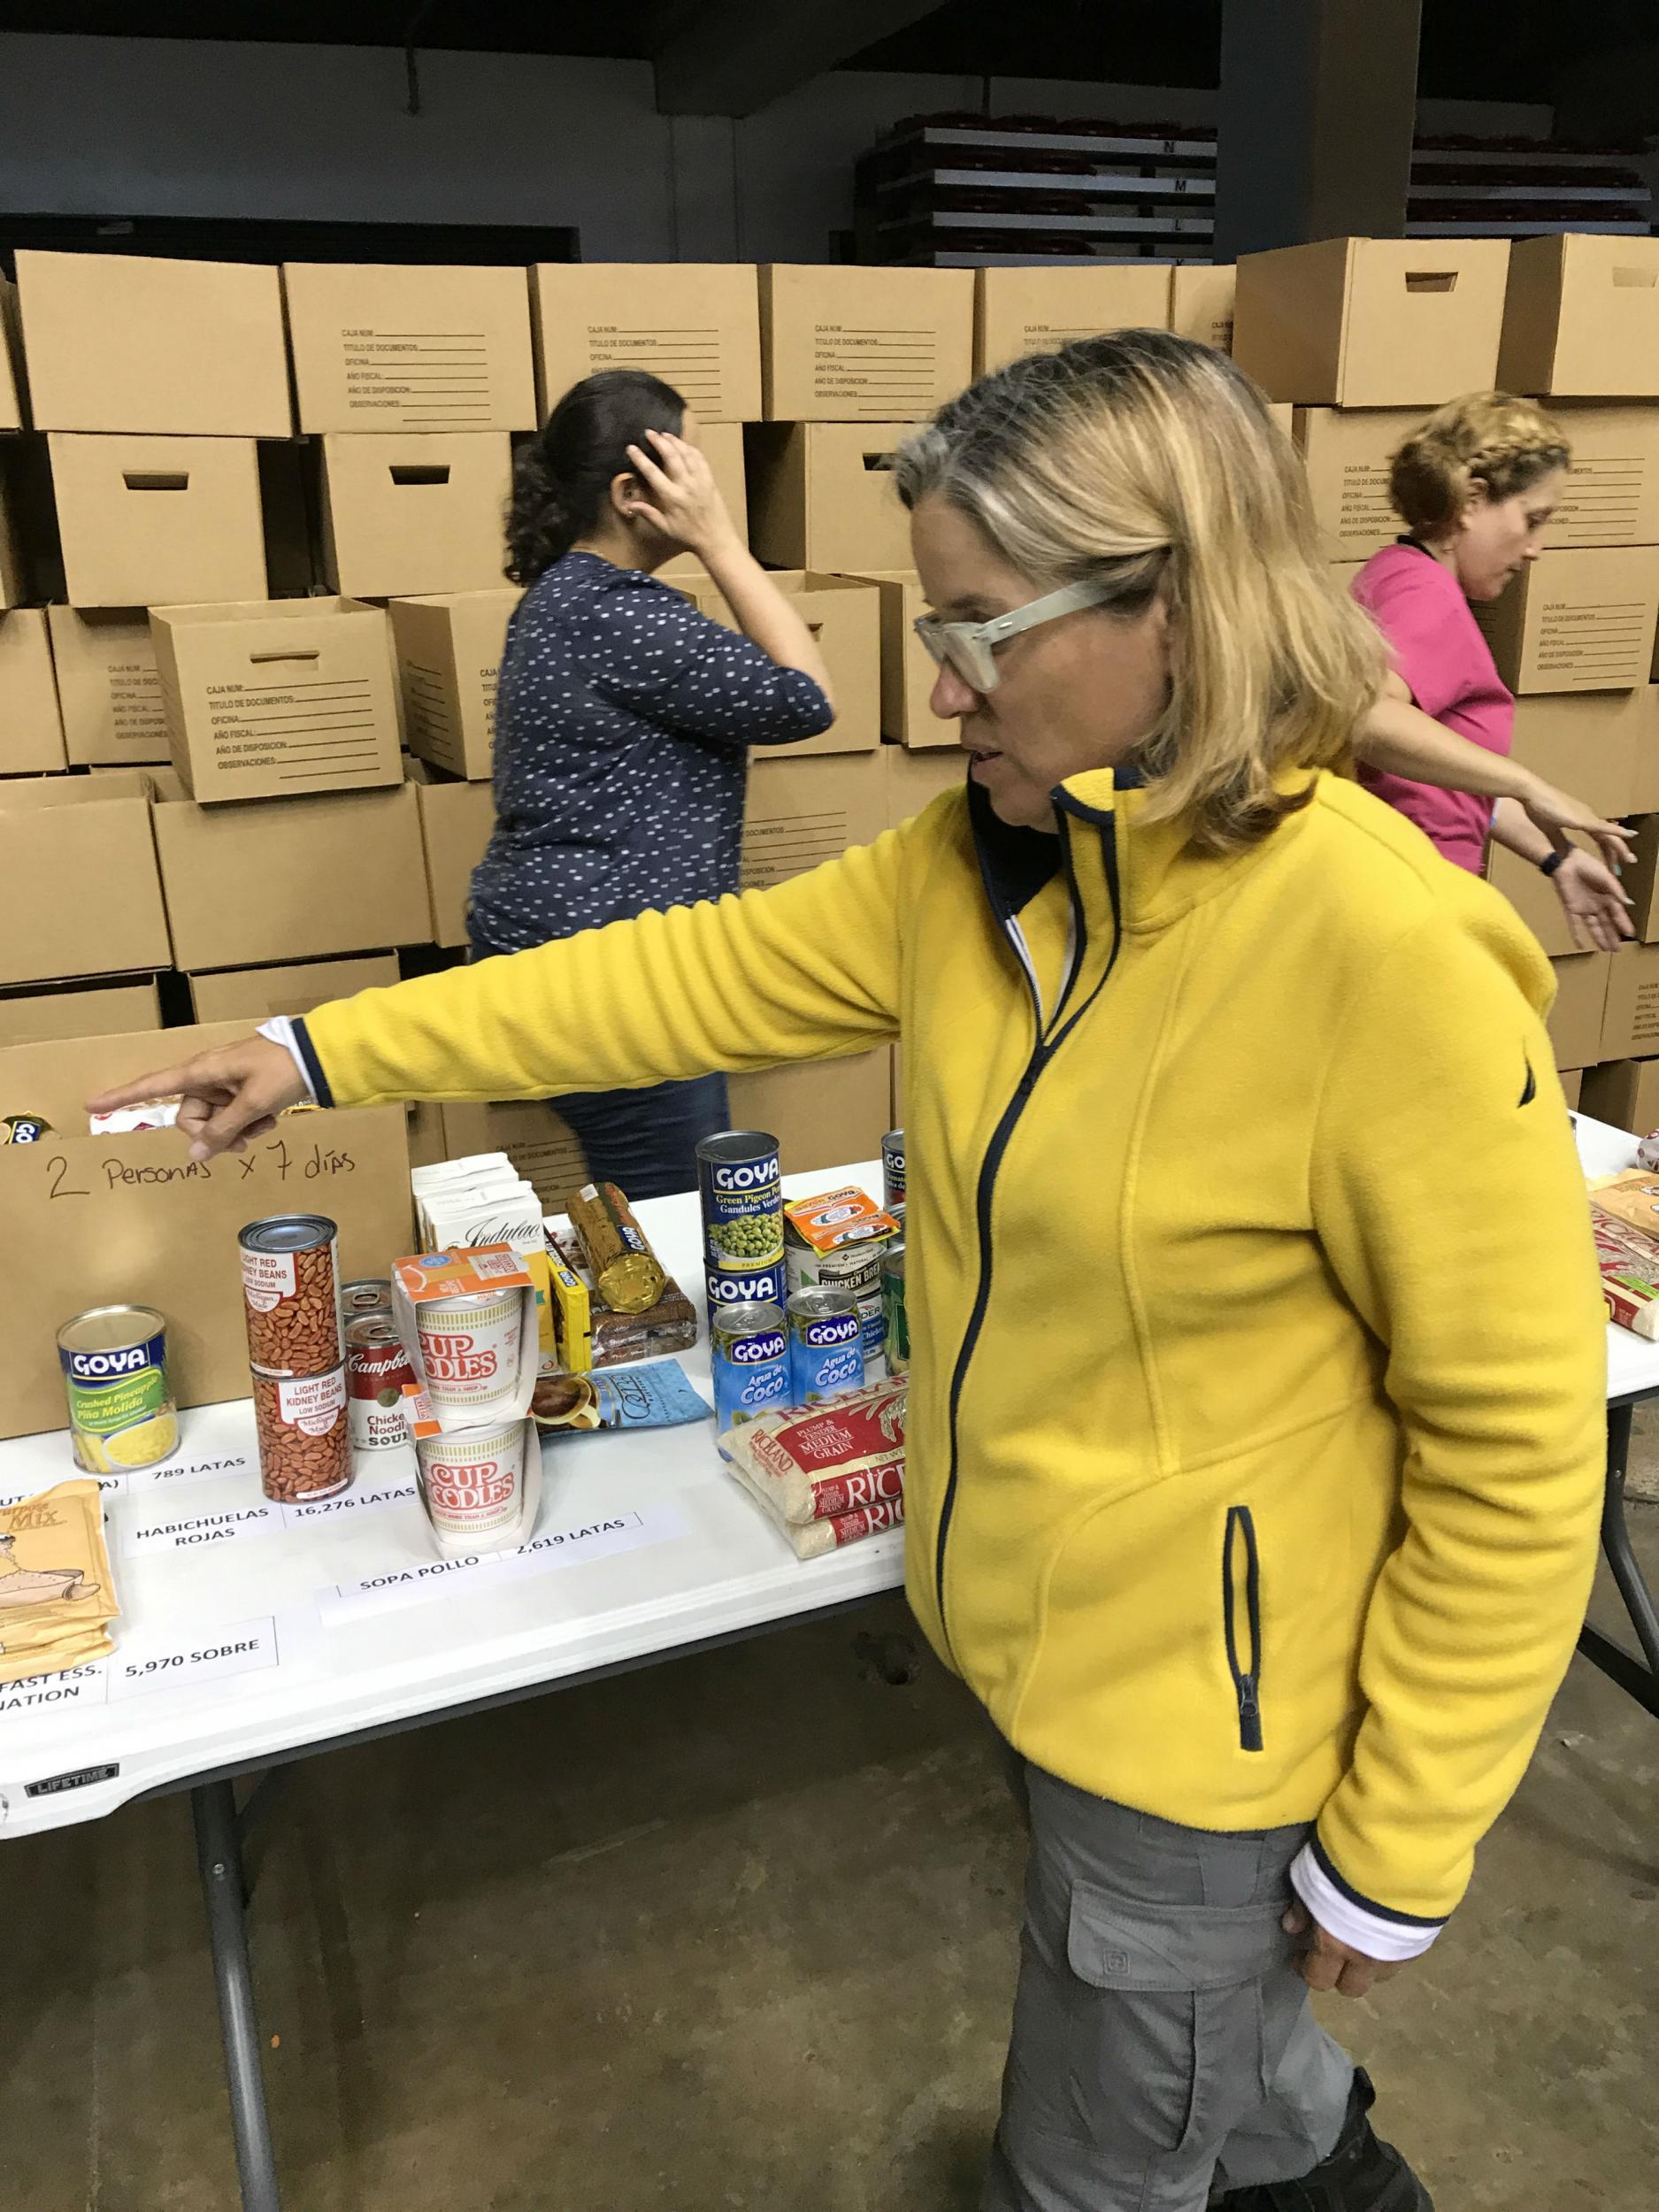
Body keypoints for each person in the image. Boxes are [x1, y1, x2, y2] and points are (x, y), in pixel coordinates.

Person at [92, 333, 1607, 2212]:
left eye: (975, 624)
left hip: (1201, 1747)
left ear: (1168, 605)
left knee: (1090, 2161)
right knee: (1240, 2072)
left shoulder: (1378, 957)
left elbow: (1515, 1445)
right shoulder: (979, 868)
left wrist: (1400, 1837)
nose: (935, 680)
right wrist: (323, 1051)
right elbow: (670, 972)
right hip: (1044, 1664)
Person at [471, 367, 835, 1196]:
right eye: (692, 461)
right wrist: (722, 542)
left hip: (571, 956)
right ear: (636, 491)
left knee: (658, 1205)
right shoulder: (616, 612)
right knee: (680, 1224)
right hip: (609, 979)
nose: (706, 480)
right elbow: (805, 698)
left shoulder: (571, 598)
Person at [1349, 393, 1633, 953]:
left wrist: (1557, 858)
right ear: (1473, 500)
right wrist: (1531, 785)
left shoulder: (1395, 572)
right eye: (1533, 520)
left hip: (1393, 889)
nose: (1535, 550)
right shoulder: (1426, 597)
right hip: (1411, 903)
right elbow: (1367, 718)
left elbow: (1439, 774)